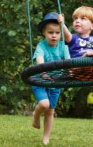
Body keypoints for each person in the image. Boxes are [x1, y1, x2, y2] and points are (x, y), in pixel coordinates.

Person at [32, 12, 69, 146]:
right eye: (50, 32)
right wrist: (44, 72)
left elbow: (69, 63)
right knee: (44, 104)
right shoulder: (41, 46)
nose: (54, 35)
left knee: (50, 111)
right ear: (44, 33)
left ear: (61, 33)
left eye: (57, 32)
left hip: (55, 82)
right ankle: (35, 116)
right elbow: (40, 61)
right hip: (40, 80)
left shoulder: (63, 47)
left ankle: (46, 138)